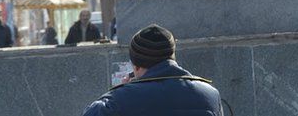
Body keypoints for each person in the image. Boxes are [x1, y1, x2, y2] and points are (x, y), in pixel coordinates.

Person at [82, 24, 223, 116]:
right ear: (172, 57)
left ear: (136, 66)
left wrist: (117, 91)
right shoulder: (210, 94)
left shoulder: (121, 99)